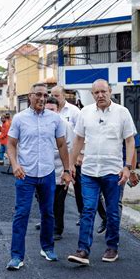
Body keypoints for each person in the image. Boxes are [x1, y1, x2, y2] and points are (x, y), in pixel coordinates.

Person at [67, 79, 136, 265]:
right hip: (89, 171)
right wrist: (71, 165)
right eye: (96, 92)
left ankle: (112, 247)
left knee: (113, 212)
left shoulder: (123, 113)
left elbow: (130, 142)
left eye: (103, 91)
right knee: (88, 210)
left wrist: (128, 167)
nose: (100, 95)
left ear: (110, 91)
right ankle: (82, 250)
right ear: (92, 94)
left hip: (113, 172)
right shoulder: (85, 113)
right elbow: (78, 140)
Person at [6, 83, 72, 271]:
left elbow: (61, 146)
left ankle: (47, 248)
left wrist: (67, 170)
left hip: (47, 174)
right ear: (30, 96)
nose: (42, 99)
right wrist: (15, 165)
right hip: (25, 174)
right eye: (39, 95)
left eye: (45, 95)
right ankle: (16, 256)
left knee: (48, 213)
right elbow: (11, 144)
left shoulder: (54, 119)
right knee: (21, 214)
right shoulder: (19, 119)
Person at [51, 86, 85, 226]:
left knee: (79, 188)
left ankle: (83, 215)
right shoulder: (49, 110)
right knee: (55, 194)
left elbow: (81, 134)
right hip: (54, 160)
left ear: (64, 96)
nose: (54, 97)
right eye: (52, 94)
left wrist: (79, 155)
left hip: (73, 157)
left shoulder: (74, 111)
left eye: (57, 95)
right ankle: (51, 219)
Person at [96, 134, 140, 234]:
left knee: (116, 200)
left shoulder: (127, 121)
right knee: (96, 196)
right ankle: (106, 218)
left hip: (120, 168)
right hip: (100, 166)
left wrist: (132, 171)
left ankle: (113, 231)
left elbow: (133, 148)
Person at [45, 96, 74, 240]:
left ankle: (58, 229)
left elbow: (70, 147)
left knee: (58, 201)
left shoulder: (65, 125)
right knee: (44, 199)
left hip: (60, 168)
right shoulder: (42, 124)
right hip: (44, 169)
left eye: (53, 110)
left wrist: (68, 169)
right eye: (47, 109)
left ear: (58, 110)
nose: (50, 112)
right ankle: (48, 223)